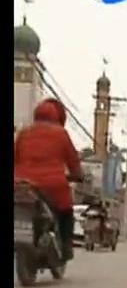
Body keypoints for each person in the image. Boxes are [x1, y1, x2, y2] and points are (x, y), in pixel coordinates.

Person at [14, 99, 83, 260]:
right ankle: (66, 246)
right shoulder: (61, 134)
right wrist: (78, 174)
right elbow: (73, 161)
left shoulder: (24, 133)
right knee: (66, 211)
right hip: (52, 186)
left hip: (21, 184)